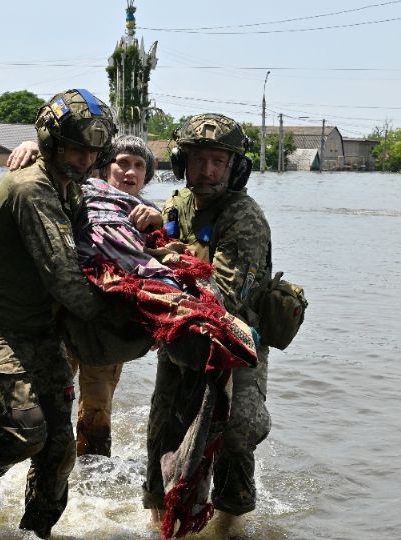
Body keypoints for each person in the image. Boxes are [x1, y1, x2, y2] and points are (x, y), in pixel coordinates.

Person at [0, 89, 115, 538]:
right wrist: (122, 320)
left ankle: (35, 531)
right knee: (28, 430)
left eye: (92, 151)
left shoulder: (70, 188)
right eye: (77, 149)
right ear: (52, 143)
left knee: (61, 448)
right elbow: (65, 278)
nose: (86, 160)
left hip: (42, 330)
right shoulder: (32, 189)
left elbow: (99, 238)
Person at [143, 113, 272, 537]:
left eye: (219, 160)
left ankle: (230, 525)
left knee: (237, 435)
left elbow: (229, 298)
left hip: (235, 345)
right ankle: (161, 517)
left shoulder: (244, 218)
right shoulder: (176, 204)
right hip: (183, 339)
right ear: (183, 163)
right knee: (163, 430)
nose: (209, 171)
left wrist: (176, 261)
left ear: (236, 167)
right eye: (200, 160)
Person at [7, 134, 163, 457]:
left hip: (107, 329)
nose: (130, 172)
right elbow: (49, 177)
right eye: (122, 163)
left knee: (97, 412)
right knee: (46, 401)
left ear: (147, 175)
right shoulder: (79, 194)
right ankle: (42, 468)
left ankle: (92, 487)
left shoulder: (150, 214)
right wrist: (33, 147)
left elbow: (167, 270)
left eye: (139, 166)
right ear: (105, 167)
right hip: (61, 318)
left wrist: (161, 225)